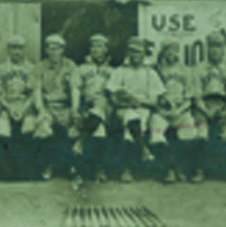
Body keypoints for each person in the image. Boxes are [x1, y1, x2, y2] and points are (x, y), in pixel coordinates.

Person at [106, 36, 166, 183]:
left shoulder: (150, 72)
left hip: (144, 109)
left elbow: (154, 100)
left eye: (138, 52)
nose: (135, 55)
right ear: (127, 53)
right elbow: (112, 95)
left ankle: (138, 166)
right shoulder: (120, 71)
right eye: (132, 52)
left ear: (144, 54)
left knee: (136, 126)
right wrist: (123, 101)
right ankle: (137, 158)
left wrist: (137, 101)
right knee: (130, 121)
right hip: (124, 110)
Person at [190, 31, 226, 182]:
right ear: (207, 48)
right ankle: (199, 171)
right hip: (204, 106)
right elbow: (197, 95)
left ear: (224, 48)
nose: (214, 50)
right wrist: (206, 112)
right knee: (201, 131)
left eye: (218, 46)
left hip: (223, 105)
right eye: (211, 46)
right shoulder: (200, 68)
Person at [151, 39, 204, 183]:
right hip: (161, 111)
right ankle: (169, 170)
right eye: (167, 49)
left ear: (177, 52)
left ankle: (182, 168)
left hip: (181, 111)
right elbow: (151, 96)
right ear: (163, 52)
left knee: (190, 134)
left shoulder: (185, 70)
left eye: (173, 50)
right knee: (156, 135)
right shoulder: (155, 70)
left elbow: (189, 98)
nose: (170, 53)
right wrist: (161, 111)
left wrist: (179, 111)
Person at [0, 34, 43, 178]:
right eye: (13, 48)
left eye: (19, 48)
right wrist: (8, 108)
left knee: (29, 125)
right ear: (8, 50)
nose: (16, 51)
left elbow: (34, 93)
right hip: (6, 105)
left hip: (25, 105)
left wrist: (24, 109)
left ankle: (26, 170)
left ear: (24, 50)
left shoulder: (32, 68)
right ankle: (5, 170)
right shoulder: (0, 68)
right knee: (1, 129)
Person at [34, 34, 80, 181]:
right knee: (44, 128)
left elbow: (75, 89)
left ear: (62, 50)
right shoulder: (40, 67)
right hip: (48, 106)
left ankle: (72, 167)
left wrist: (74, 109)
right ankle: (48, 166)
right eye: (50, 48)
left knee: (74, 129)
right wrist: (41, 109)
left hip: (65, 106)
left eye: (57, 49)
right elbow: (36, 90)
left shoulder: (70, 66)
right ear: (46, 50)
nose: (53, 52)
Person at [73, 34, 114, 184]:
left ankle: (80, 143)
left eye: (100, 46)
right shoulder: (81, 68)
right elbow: (76, 89)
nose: (96, 49)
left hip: (107, 106)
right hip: (88, 106)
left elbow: (115, 94)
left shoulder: (112, 70)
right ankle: (98, 169)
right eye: (93, 46)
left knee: (100, 108)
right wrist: (76, 109)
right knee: (99, 130)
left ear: (106, 49)